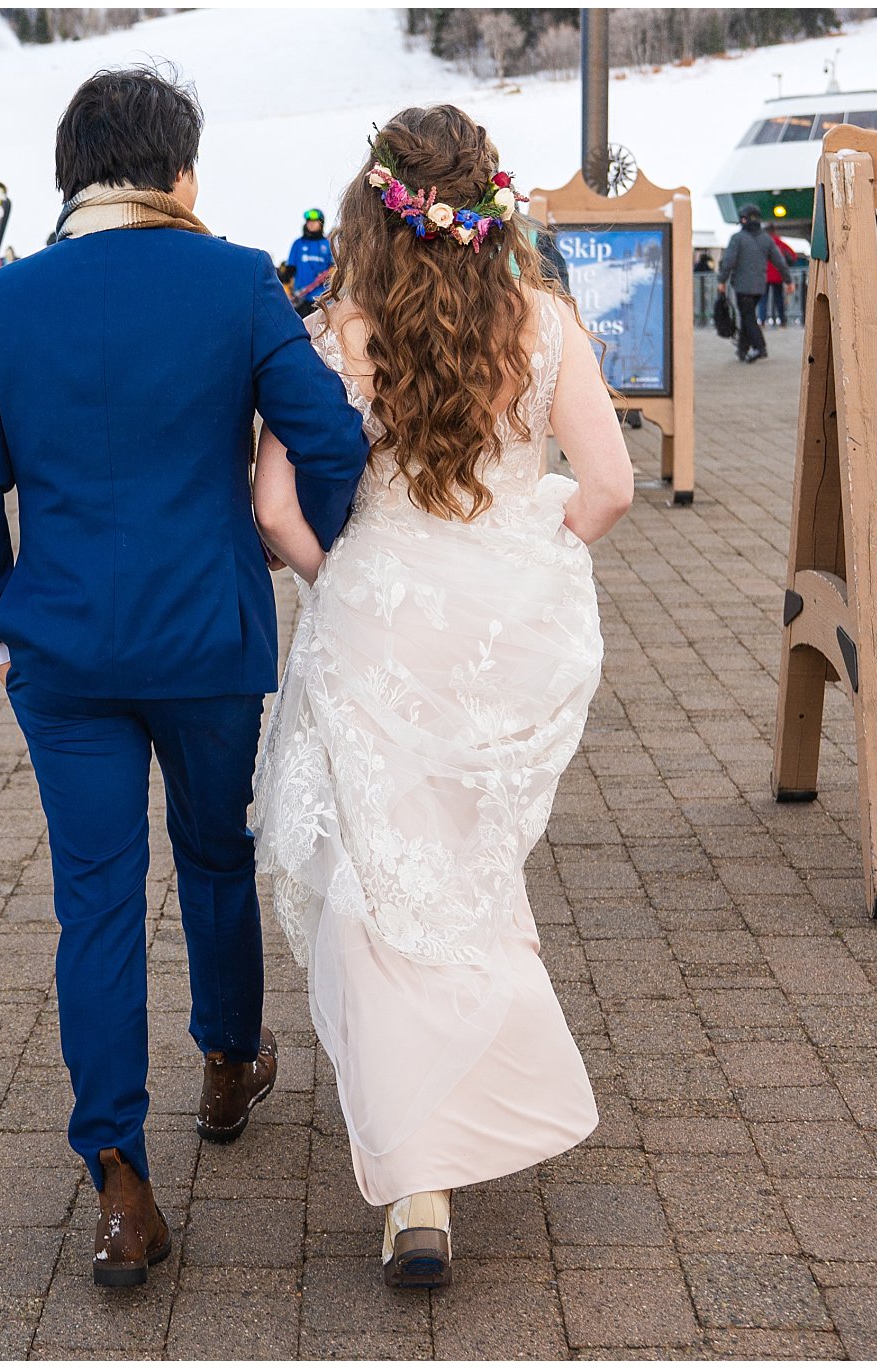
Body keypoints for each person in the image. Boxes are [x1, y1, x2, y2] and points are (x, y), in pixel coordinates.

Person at [0, 64, 368, 1288]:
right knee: (216, 853)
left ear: (74, 170)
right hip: (206, 636)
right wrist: (306, 548)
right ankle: (229, 1059)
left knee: (97, 900)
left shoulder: (1, 303)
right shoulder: (234, 279)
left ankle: (118, 1180)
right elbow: (328, 431)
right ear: (175, 169)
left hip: (62, 651)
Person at [250, 104, 633, 1290]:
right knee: (465, 863)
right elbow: (608, 486)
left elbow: (272, 512)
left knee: (376, 869)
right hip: (504, 625)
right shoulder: (549, 322)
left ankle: (417, 1180)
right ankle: (458, 1114)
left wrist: (339, 575)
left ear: (375, 204)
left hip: (379, 615)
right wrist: (528, 548)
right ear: (492, 201)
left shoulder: (332, 332)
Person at [718, 203, 784, 362]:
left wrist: (722, 280)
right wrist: (788, 280)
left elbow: (728, 261)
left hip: (742, 286)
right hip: (760, 287)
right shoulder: (766, 239)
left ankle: (760, 347)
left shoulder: (737, 238)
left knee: (748, 317)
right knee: (747, 315)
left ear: (743, 219)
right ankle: (743, 348)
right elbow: (779, 260)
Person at [286, 206, 333, 315]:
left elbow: (333, 267)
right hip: (301, 299)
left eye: (314, 221)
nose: (311, 223)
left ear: (321, 223)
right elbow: (289, 271)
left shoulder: (327, 244)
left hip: (321, 299)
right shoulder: (298, 244)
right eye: (309, 221)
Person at [760, 230, 798, 328]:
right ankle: (782, 321)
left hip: (764, 275)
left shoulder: (762, 243)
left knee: (763, 299)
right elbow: (793, 255)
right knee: (778, 299)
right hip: (778, 275)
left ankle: (762, 321)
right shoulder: (779, 243)